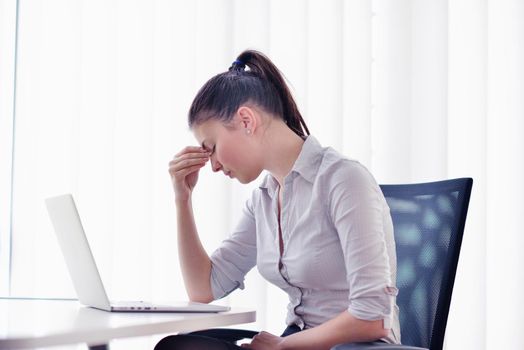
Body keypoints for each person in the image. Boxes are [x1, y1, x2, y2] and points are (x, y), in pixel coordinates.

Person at [159, 50, 400, 350]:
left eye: (212, 148)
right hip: (295, 343)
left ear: (246, 120)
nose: (214, 166)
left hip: (354, 348)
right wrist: (182, 198)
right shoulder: (264, 198)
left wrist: (284, 346)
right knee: (181, 346)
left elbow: (373, 318)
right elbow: (203, 289)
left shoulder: (343, 180)